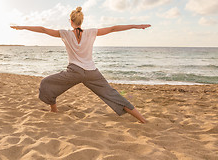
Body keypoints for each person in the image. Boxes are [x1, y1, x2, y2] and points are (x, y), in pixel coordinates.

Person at [11, 7, 150, 123]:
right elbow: (113, 28)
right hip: (92, 73)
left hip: (74, 72)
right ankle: (142, 119)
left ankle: (54, 109)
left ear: (71, 21)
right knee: (112, 94)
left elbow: (42, 29)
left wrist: (22, 27)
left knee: (47, 83)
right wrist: (135, 26)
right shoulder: (91, 32)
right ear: (81, 21)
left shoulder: (64, 33)